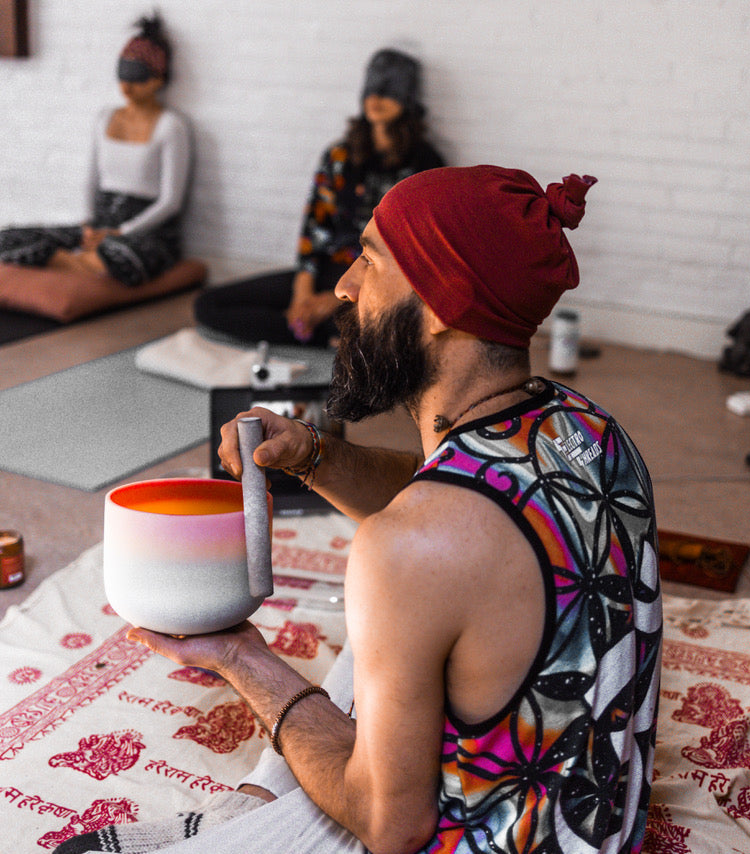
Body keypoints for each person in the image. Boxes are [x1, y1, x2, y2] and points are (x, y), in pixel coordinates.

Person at [57, 166, 662, 854]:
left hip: (478, 839)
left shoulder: (417, 544)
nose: (343, 286)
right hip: (595, 820)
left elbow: (390, 828)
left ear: (443, 306)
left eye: (370, 260)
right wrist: (312, 456)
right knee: (392, 602)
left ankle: (250, 826)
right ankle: (246, 811)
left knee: (389, 578)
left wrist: (240, 658)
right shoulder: (585, 425)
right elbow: (441, 494)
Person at [193, 47, 445, 348]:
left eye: (388, 91)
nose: (375, 99)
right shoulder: (339, 155)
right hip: (324, 271)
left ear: (407, 98)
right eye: (371, 90)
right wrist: (303, 294)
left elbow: (415, 254)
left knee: (402, 325)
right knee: (208, 305)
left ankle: (332, 329)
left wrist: (338, 300)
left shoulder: (426, 165)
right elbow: (314, 229)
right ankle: (324, 331)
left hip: (378, 284)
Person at [0, 14, 192, 288]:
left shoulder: (171, 127)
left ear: (158, 79)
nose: (126, 87)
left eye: (137, 79)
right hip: (99, 222)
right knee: (6, 239)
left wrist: (121, 231)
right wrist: (90, 226)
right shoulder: (105, 118)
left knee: (122, 255)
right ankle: (84, 263)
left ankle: (71, 263)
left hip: (144, 229)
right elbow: (91, 180)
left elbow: (171, 201)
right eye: (122, 77)